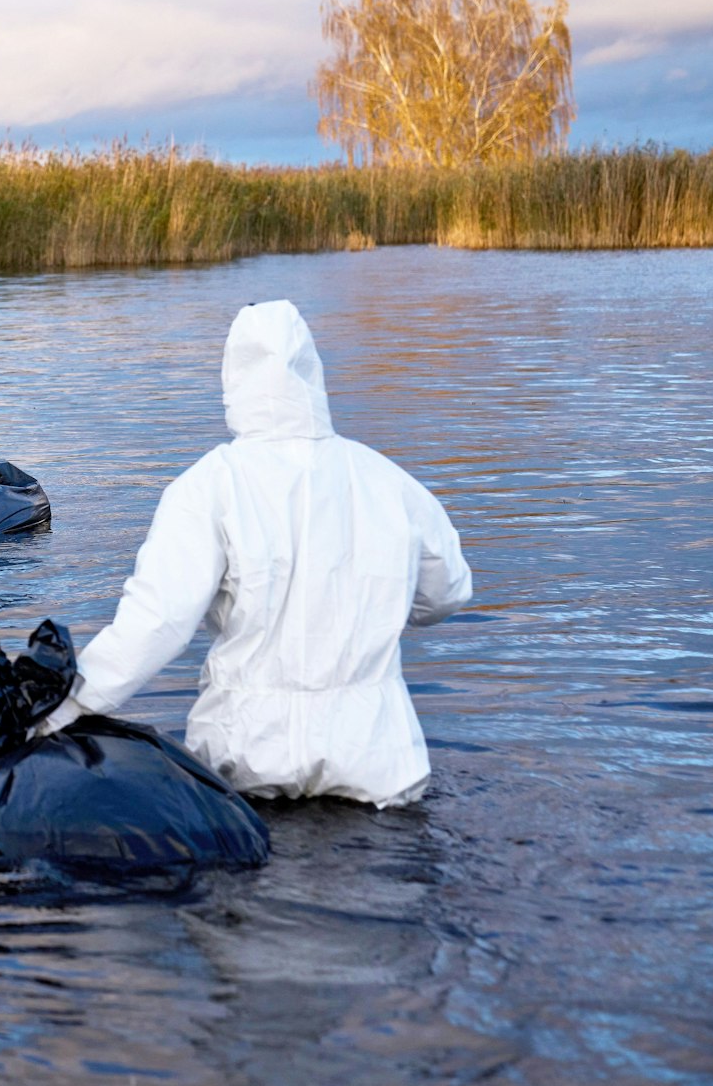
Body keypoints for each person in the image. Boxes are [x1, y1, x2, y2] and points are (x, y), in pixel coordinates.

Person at [33, 299, 472, 808]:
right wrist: (381, 601)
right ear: (313, 375)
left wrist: (61, 709)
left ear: (234, 380)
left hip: (250, 753)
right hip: (378, 756)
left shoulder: (210, 487)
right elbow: (449, 593)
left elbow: (158, 623)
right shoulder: (391, 484)